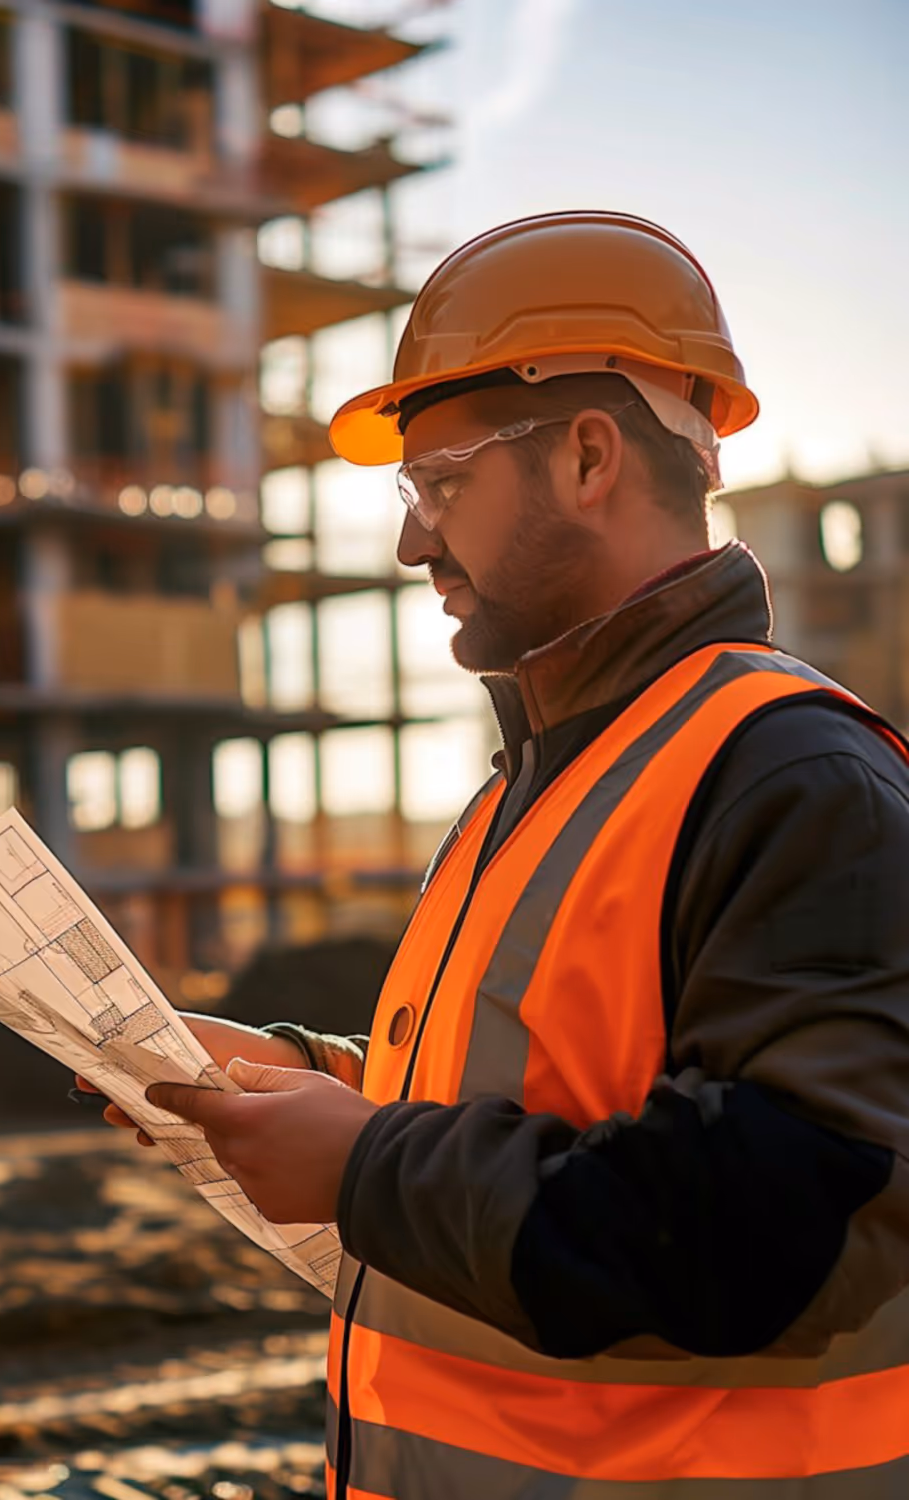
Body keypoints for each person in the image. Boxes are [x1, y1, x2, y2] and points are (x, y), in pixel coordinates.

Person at [76, 211, 909, 1496]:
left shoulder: (795, 779)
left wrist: (359, 1163)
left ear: (586, 458)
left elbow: (764, 1225)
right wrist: (301, 1079)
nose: (414, 542)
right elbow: (546, 1101)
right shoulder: (541, 777)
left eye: (440, 483)